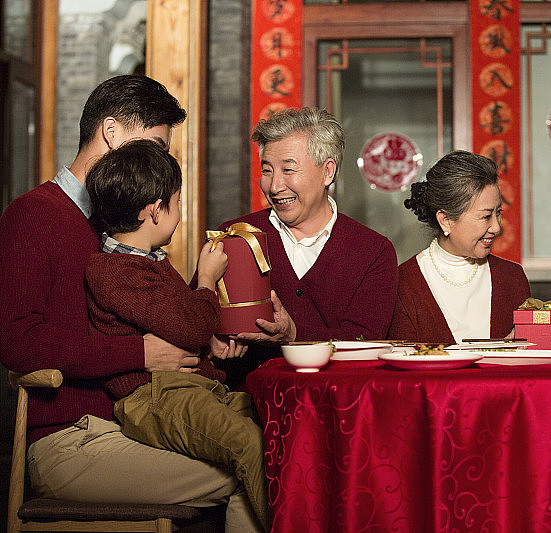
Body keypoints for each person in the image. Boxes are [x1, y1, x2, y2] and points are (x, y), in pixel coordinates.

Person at [0, 75, 261, 531]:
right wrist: (140, 353)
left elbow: (149, 319)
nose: (160, 161)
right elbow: (18, 343)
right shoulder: (33, 214)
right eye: (157, 145)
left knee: (266, 445)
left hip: (133, 424)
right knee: (254, 465)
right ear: (112, 132)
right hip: (73, 437)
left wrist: (205, 343)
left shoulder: (125, 227)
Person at [84, 139, 267, 530]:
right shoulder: (114, 271)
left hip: (188, 390)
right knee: (248, 445)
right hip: (155, 399)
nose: (181, 213)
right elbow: (190, 324)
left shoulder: (147, 263)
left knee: (273, 424)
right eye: (178, 203)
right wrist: (205, 280)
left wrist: (210, 347)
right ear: (154, 211)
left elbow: (179, 326)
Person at [218, 107, 398, 351]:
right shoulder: (236, 236)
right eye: (267, 170)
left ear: (327, 171)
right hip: (250, 388)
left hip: (336, 388)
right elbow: (194, 316)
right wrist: (210, 339)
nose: (274, 186)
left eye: (288, 170)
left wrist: (295, 334)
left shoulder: (373, 251)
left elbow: (366, 341)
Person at [388, 150, 531, 344]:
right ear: (446, 220)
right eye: (485, 216)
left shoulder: (511, 278)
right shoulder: (404, 284)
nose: (497, 228)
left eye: (498, 213)